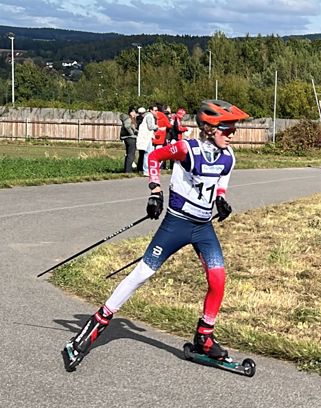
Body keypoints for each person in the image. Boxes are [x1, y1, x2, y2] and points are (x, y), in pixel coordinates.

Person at [63, 99, 249, 370]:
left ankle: (204, 338)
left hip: (203, 227)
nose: (233, 135)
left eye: (234, 130)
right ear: (209, 129)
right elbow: (153, 157)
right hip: (177, 223)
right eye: (227, 130)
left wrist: (221, 199)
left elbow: (221, 181)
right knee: (142, 274)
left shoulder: (228, 157)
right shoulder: (187, 149)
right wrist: (155, 191)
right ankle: (93, 328)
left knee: (218, 278)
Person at [136, 104, 158, 176]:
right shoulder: (149, 116)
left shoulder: (148, 116)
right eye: (155, 110)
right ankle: (146, 170)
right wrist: (157, 126)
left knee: (148, 154)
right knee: (148, 154)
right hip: (146, 137)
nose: (156, 112)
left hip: (148, 137)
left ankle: (148, 170)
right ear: (151, 110)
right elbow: (150, 126)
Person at [120, 106, 138, 173]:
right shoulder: (128, 119)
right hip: (130, 138)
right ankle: (128, 170)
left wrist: (136, 131)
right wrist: (132, 133)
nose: (135, 114)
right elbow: (127, 126)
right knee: (131, 154)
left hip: (126, 137)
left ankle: (127, 169)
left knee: (128, 154)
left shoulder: (129, 119)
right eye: (134, 112)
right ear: (131, 112)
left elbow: (131, 127)